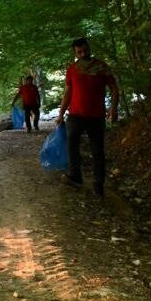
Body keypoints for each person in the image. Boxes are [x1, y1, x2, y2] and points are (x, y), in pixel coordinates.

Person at [56, 38, 120, 197]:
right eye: (79, 52)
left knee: (97, 149)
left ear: (89, 48)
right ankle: (75, 175)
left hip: (96, 115)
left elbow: (114, 88)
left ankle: (99, 184)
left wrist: (113, 108)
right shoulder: (72, 69)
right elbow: (68, 92)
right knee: (71, 140)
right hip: (75, 114)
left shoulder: (101, 66)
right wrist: (61, 113)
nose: (83, 53)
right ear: (75, 53)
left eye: (85, 50)